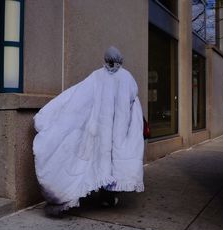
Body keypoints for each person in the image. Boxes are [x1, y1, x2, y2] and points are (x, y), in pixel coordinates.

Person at [33, 46, 144, 217]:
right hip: (107, 134)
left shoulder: (101, 76)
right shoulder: (124, 77)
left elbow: (77, 96)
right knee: (106, 165)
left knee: (102, 164)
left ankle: (105, 194)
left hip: (104, 133)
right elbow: (78, 96)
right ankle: (107, 196)